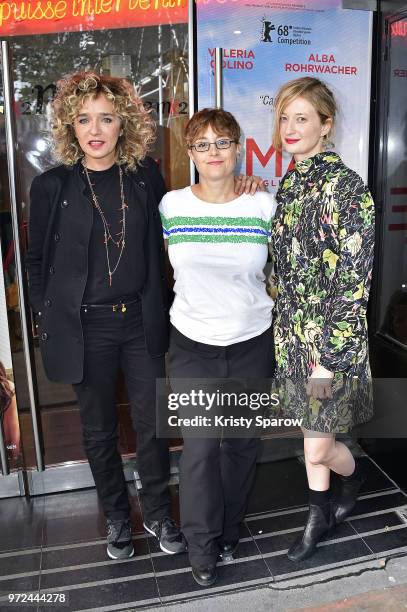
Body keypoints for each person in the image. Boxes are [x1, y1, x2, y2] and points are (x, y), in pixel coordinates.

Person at [26, 72, 262, 561]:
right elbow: (36, 261)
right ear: (71, 124)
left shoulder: (146, 177)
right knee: (98, 431)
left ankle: (156, 512)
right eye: (85, 118)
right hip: (83, 326)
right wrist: (45, 317)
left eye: (107, 118)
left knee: (153, 424)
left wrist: (242, 182)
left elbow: (191, 211)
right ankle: (117, 517)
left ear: (123, 125)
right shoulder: (52, 186)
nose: (96, 129)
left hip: (138, 321)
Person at [159, 108, 276, 586]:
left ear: (238, 147)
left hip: (252, 340)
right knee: (201, 449)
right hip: (192, 343)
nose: (213, 152)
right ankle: (201, 547)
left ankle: (229, 531)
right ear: (190, 153)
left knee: (241, 446)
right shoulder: (171, 205)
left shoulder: (263, 206)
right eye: (203, 144)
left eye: (223, 142)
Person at [271, 77, 375, 561]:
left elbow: (354, 284)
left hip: (330, 346)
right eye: (284, 117)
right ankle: (320, 511)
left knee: (317, 448)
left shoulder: (347, 187)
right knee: (313, 436)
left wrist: (327, 360)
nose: (289, 128)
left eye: (302, 118)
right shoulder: (291, 180)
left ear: (326, 124)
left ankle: (352, 481)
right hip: (294, 338)